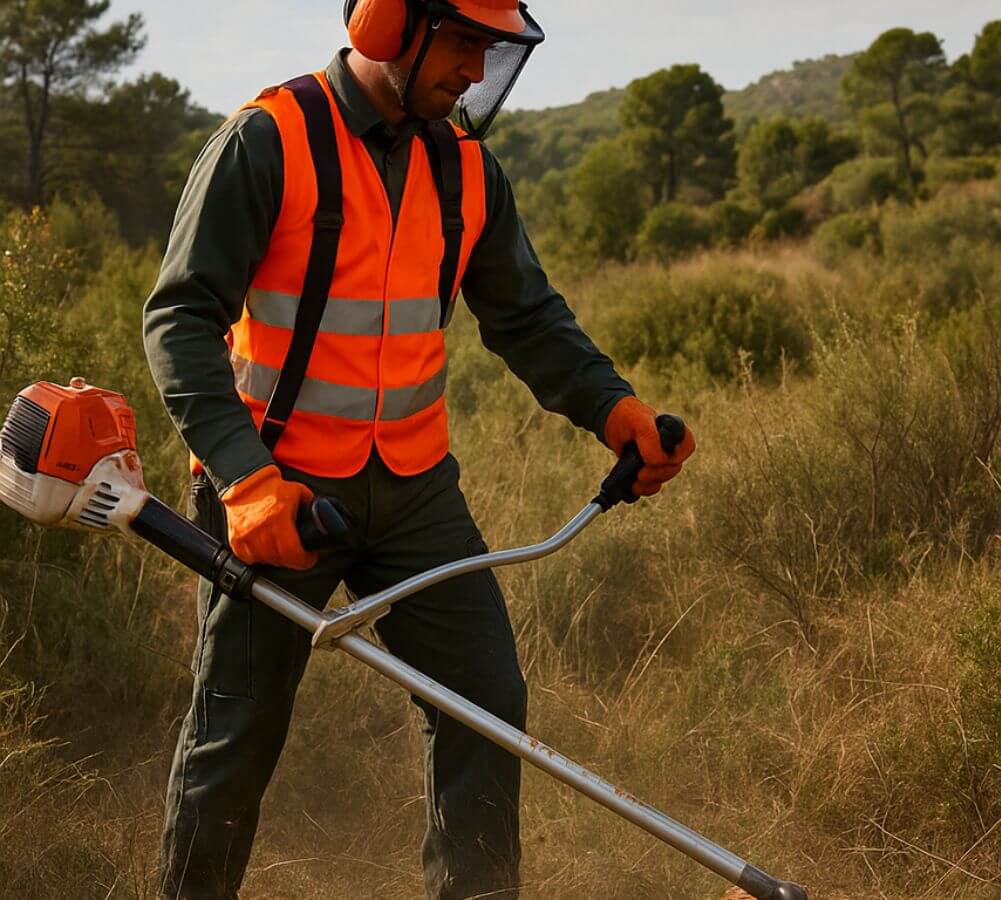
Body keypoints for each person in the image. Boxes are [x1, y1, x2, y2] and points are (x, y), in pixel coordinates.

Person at [141, 0, 696, 897]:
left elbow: (525, 314)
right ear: (390, 22)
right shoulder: (267, 139)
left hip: (414, 493)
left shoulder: (467, 169)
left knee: (487, 706)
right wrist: (244, 481)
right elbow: (178, 318)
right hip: (279, 499)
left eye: (491, 47)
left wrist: (613, 407)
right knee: (235, 732)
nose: (477, 70)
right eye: (466, 41)